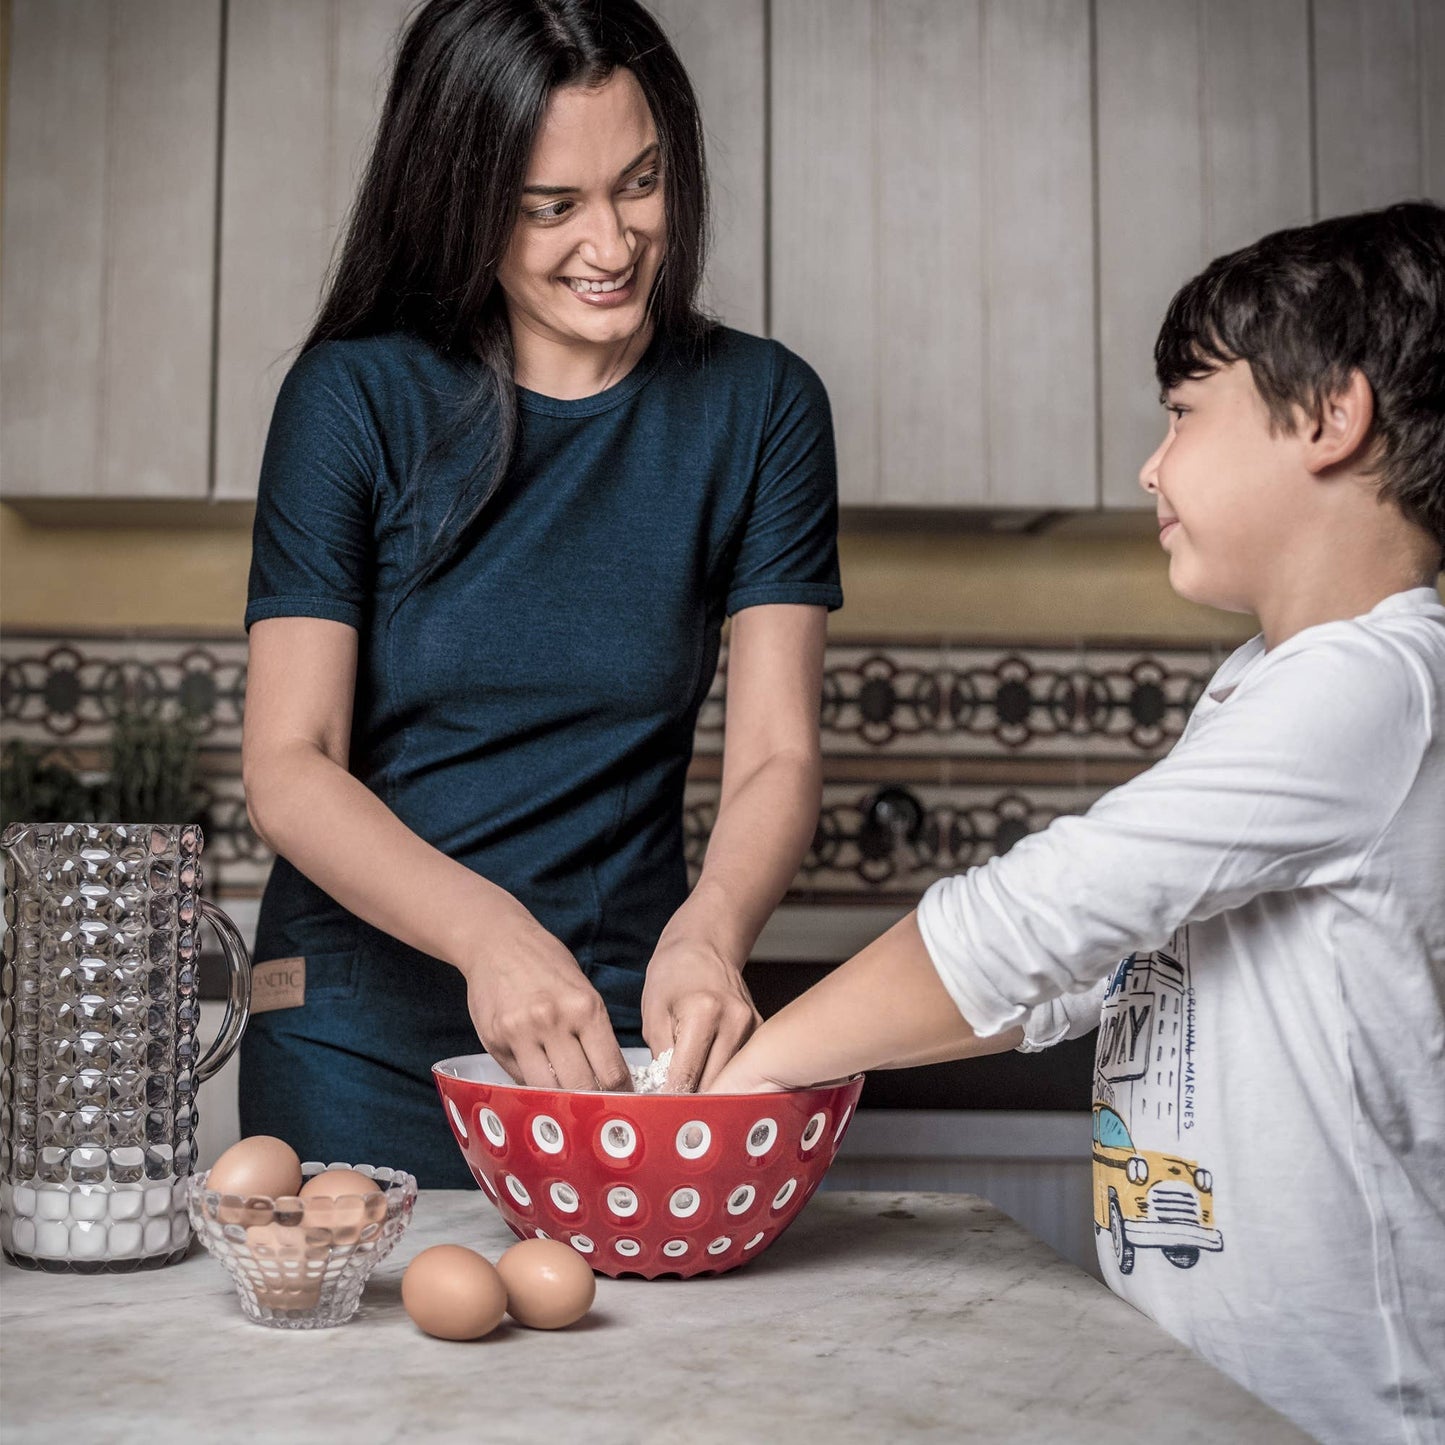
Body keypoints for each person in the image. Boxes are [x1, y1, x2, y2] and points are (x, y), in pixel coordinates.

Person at [712, 202, 1445, 1445]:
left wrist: (754, 1073)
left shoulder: (1374, 683)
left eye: (1180, 412)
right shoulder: (1267, 683)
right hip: (1219, 1388)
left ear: (1328, 413)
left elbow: (1035, 920)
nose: (1151, 466)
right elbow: (1079, 967)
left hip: (1339, 1406)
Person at [239, 0, 841, 1186]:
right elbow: (289, 761)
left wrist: (711, 934)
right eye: (549, 207)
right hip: (353, 1033)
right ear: (461, 203)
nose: (611, 246)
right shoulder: (352, 398)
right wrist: (488, 934)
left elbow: (777, 753)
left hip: (611, 1037)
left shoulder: (761, 407)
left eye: (640, 183)